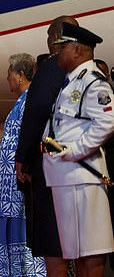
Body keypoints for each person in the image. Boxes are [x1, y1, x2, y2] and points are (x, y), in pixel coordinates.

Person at [43, 22, 114, 276]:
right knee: (75, 251)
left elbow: (107, 122)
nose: (57, 51)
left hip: (83, 176)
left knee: (92, 250)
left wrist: (73, 151)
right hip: (67, 177)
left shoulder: (92, 82)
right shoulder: (72, 81)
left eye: (62, 47)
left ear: (76, 49)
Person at [15, 15, 78, 276]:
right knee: (83, 244)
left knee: (54, 240)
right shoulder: (89, 71)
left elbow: (36, 112)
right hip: (83, 167)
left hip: (53, 166)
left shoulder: (52, 68)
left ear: (54, 38)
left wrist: (23, 156)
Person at [0, 53, 46, 277]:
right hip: (9, 188)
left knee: (22, 230)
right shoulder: (22, 101)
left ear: (21, 75)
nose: (8, 79)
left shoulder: (30, 102)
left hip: (18, 185)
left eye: (10, 74)